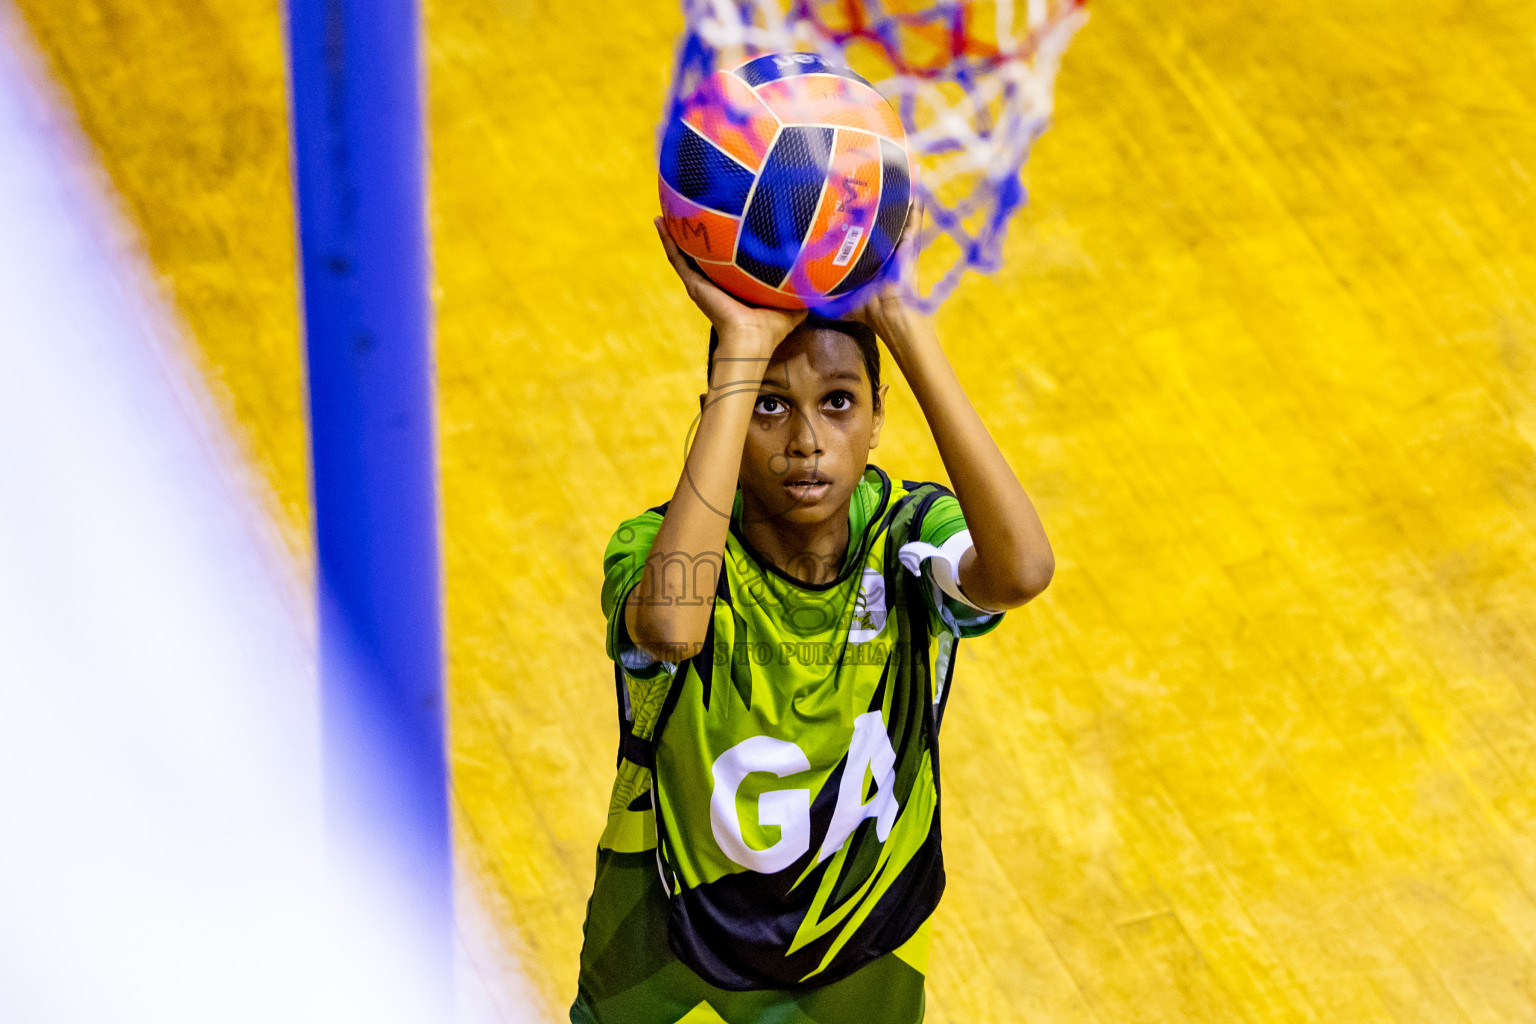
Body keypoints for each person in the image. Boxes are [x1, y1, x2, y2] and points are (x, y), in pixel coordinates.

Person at [569, 219, 1055, 1024]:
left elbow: (1022, 572)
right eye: (767, 406)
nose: (806, 443)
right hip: (664, 960)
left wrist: (903, 320)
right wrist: (741, 345)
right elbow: (672, 629)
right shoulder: (662, 548)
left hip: (862, 955)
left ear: (876, 417)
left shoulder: (905, 535)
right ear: (723, 410)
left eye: (838, 405)